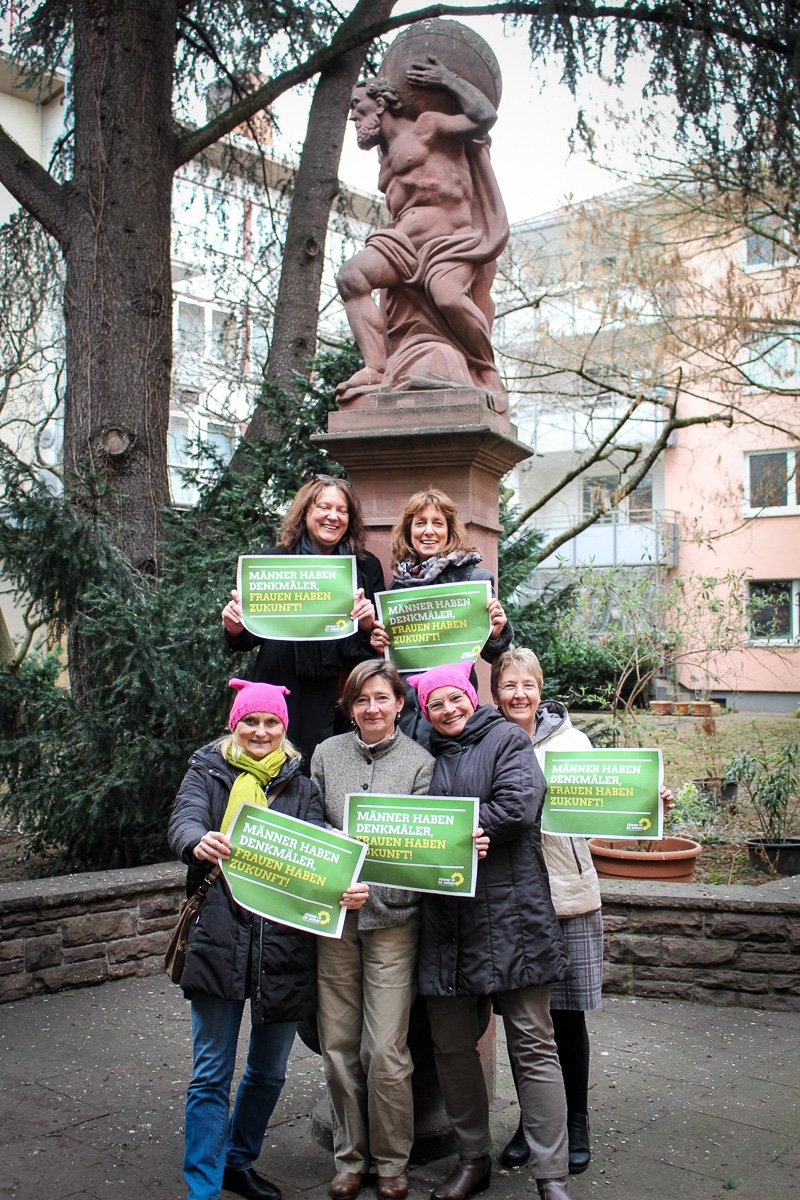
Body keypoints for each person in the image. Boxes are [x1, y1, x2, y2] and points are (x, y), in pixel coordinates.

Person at [168, 678, 368, 1200]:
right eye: (251, 721)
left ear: (284, 727)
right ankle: (203, 1186)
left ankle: (238, 1160)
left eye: (271, 722)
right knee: (211, 1072)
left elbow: (318, 851)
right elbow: (184, 820)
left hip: (283, 945)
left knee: (269, 1071)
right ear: (234, 724)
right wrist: (197, 841)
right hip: (220, 935)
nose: (261, 731)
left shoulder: (301, 786)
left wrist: (343, 886)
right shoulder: (207, 772)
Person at [491, 647, 676, 1176]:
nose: (519, 695)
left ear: (540, 689)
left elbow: (602, 807)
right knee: (524, 1023)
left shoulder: (572, 743)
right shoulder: (488, 741)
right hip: (510, 900)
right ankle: (532, 1123)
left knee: (566, 1018)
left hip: (566, 894)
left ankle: (575, 1122)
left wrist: (647, 802)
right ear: (496, 693)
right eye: (509, 686)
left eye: (527, 684)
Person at [408, 662, 574, 1200]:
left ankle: (551, 1173)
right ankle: (472, 1159)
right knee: (453, 1047)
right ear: (425, 711)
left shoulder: (506, 738)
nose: (448, 710)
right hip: (446, 920)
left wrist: (458, 825)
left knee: (533, 1042)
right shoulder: (421, 751)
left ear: (471, 696)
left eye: (455, 698)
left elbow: (520, 805)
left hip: (512, 913)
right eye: (435, 704)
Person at [310, 660, 435, 1200]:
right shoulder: (324, 754)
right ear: (349, 707)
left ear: (400, 704)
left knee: (384, 1050)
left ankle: (391, 1161)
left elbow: (419, 847)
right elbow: (312, 822)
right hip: (336, 920)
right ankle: (349, 1158)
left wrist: (377, 889)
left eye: (382, 698)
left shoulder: (420, 764)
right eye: (361, 700)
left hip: (393, 922)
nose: (372, 708)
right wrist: (337, 875)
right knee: (338, 1044)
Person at [335, 58, 508, 410]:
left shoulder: (427, 126)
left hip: (449, 239)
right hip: (403, 239)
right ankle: (376, 367)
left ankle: (485, 370)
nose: (352, 116)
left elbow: (483, 117)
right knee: (351, 277)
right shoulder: (385, 155)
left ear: (380, 103)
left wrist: (447, 78)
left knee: (447, 297)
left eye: (356, 106)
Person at [221, 476, 384, 770]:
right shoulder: (271, 562)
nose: (333, 516)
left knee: (329, 773)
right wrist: (235, 627)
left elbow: (374, 649)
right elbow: (248, 637)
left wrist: (367, 627)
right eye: (324, 507)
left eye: (342, 510)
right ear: (306, 511)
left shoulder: (365, 566)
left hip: (339, 694)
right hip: (280, 685)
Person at [370, 487, 512, 746]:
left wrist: (496, 633)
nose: (428, 531)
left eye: (437, 523)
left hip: (451, 715)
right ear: (409, 531)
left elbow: (493, 655)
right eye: (420, 523)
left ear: (449, 531)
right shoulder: (398, 587)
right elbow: (394, 660)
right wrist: (381, 646)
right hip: (407, 716)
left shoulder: (473, 579)